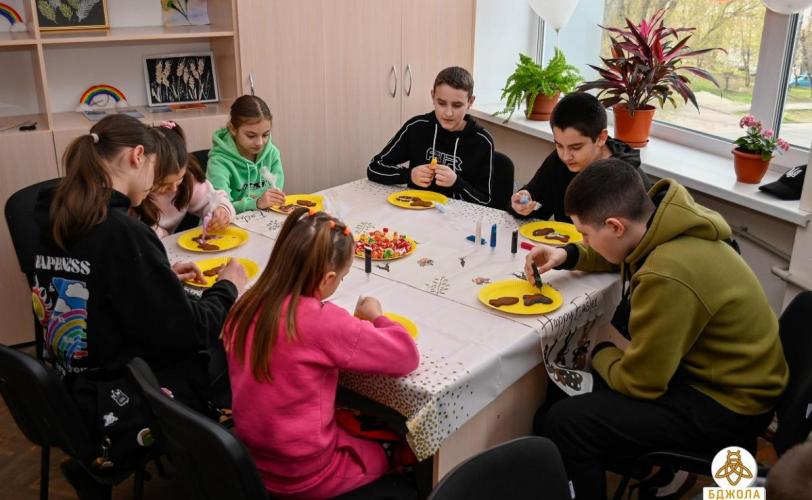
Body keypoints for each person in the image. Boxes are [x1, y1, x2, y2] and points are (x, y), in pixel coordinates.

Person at [524, 159, 788, 499]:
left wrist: (600, 351)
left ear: (615, 226)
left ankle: (631, 469)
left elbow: (641, 383)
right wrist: (568, 255)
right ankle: (640, 466)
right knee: (560, 401)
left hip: (729, 407)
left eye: (585, 234)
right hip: (735, 380)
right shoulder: (668, 224)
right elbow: (623, 252)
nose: (583, 240)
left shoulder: (666, 275)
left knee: (566, 422)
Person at [29, 114, 248, 497]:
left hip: (73, 388)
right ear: (138, 156)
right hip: (123, 397)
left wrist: (157, 278)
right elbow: (190, 332)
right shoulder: (122, 232)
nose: (153, 185)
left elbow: (96, 287)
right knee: (238, 346)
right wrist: (228, 287)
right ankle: (230, 466)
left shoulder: (58, 214)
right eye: (153, 168)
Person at [224, 208, 420, 499]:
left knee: (353, 427)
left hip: (250, 457)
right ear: (327, 279)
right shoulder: (323, 322)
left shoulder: (245, 303)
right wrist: (376, 315)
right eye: (341, 278)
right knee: (392, 450)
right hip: (303, 473)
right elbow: (406, 355)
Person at [367, 66, 496, 207]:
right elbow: (374, 168)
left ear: (470, 102)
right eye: (441, 103)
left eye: (457, 105)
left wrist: (456, 182)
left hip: (456, 216)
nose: (448, 113)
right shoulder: (417, 127)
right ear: (433, 97)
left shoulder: (482, 141)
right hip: (415, 210)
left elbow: (485, 201)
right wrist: (409, 175)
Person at [510, 92, 642, 223]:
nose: (566, 156)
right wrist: (521, 204)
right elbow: (537, 207)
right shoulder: (559, 161)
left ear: (601, 138)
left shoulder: (628, 179)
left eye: (576, 147)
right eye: (559, 145)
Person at [134, 121, 234, 237]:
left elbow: (211, 199)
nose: (173, 188)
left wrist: (221, 210)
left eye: (179, 179)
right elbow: (136, 232)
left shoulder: (188, 178)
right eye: (163, 184)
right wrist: (163, 234)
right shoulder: (134, 193)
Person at [207, 95, 285, 213]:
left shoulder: (272, 154)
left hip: (263, 220)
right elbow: (220, 208)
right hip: (226, 222)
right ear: (233, 129)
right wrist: (256, 203)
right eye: (251, 136)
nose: (259, 143)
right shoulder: (218, 162)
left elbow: (276, 198)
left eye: (265, 135)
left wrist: (268, 201)